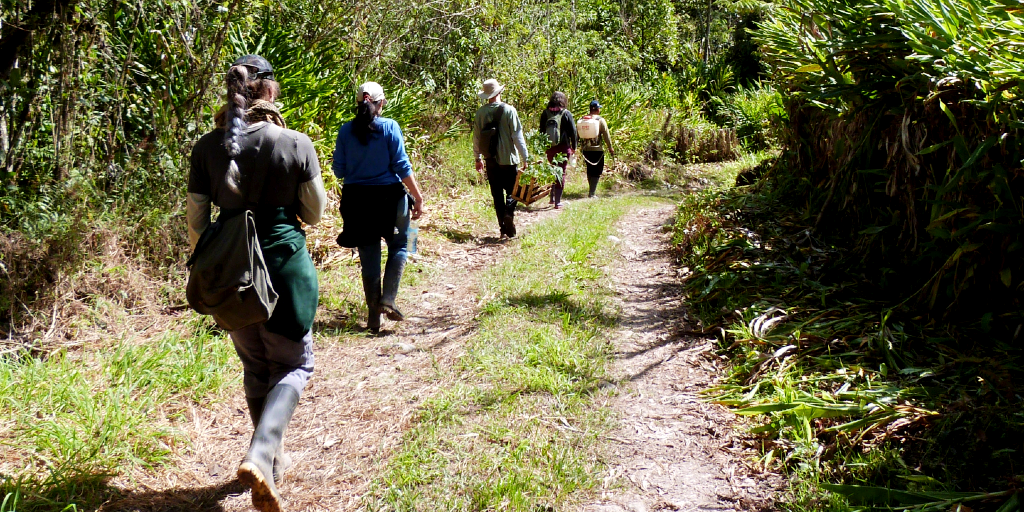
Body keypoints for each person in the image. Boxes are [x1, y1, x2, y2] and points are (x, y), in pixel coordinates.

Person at [187, 54, 326, 512]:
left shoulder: (207, 147)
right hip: (283, 266)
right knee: (294, 366)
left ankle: (270, 460)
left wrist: (210, 264)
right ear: (268, 91)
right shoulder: (295, 143)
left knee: (255, 364)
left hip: (230, 275)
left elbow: (195, 221)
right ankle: (263, 454)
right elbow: (315, 212)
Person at [333, 81, 425, 334]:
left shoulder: (344, 131)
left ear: (358, 103)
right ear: (381, 102)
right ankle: (389, 299)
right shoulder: (390, 127)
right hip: (389, 199)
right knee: (402, 244)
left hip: (356, 201)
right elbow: (402, 167)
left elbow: (338, 170)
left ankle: (374, 317)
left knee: (368, 253)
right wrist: (418, 197)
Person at [473, 78, 529, 238]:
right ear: (499, 92)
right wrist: (526, 157)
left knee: (497, 194)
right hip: (508, 160)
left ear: (486, 95)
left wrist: (477, 159)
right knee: (513, 191)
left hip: (490, 159)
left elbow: (476, 138)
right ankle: (509, 214)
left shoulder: (480, 113)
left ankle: (503, 228)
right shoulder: (510, 111)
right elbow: (517, 136)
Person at [539, 91, 577, 208]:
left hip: (550, 147)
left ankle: (552, 198)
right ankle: (558, 201)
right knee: (561, 171)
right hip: (563, 147)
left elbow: (541, 131)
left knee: (553, 171)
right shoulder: (566, 113)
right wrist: (574, 146)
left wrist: (543, 147)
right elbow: (573, 132)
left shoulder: (545, 114)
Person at [578, 99, 615, 198]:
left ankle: (591, 191)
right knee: (597, 170)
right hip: (597, 150)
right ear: (598, 110)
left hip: (586, 150)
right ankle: (592, 193)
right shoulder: (600, 120)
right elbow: (606, 135)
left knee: (590, 170)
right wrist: (610, 147)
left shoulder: (583, 119)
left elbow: (577, 134)